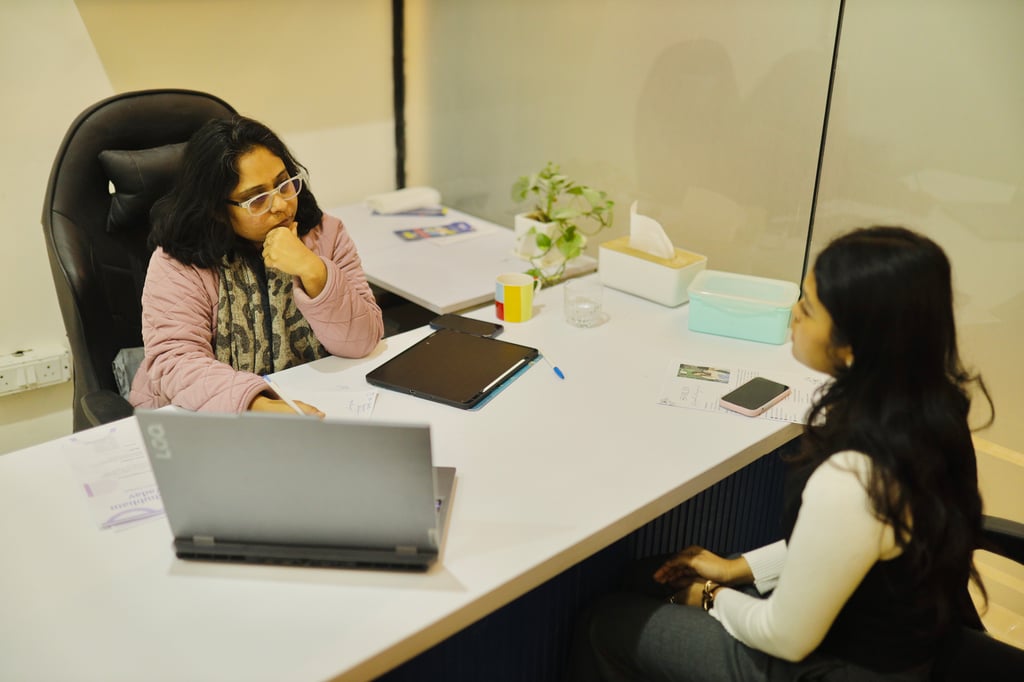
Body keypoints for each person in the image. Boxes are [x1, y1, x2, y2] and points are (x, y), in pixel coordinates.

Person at [567, 226, 994, 681]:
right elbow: (848, 543)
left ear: (852, 346)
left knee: (605, 623)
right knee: (642, 577)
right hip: (904, 640)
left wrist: (710, 596)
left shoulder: (856, 474)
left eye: (807, 307)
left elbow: (785, 637)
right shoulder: (931, 411)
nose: (793, 315)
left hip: (843, 666)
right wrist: (737, 569)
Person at [129, 116, 384, 416]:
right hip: (206, 416)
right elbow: (177, 362)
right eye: (257, 199)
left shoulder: (325, 233)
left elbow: (362, 341)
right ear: (217, 208)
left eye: (284, 184)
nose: (281, 205)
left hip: (315, 399)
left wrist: (313, 269)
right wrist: (257, 406)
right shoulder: (179, 260)